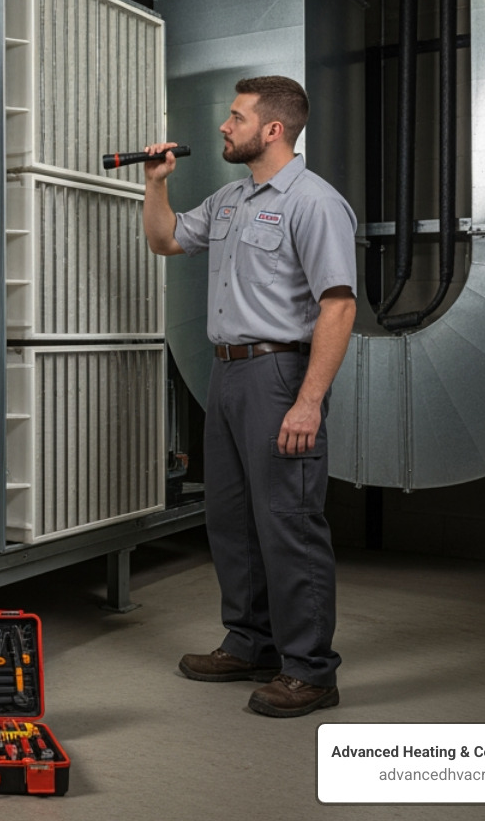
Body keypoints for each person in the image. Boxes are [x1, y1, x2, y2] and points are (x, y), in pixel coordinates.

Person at [142, 76, 357, 718]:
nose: (222, 127)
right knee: (230, 521)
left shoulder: (314, 203)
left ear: (272, 129)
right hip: (228, 373)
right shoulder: (232, 199)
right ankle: (251, 643)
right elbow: (165, 240)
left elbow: (339, 305)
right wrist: (155, 184)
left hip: (280, 375)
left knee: (288, 522)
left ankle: (311, 670)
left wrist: (309, 400)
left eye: (234, 118)